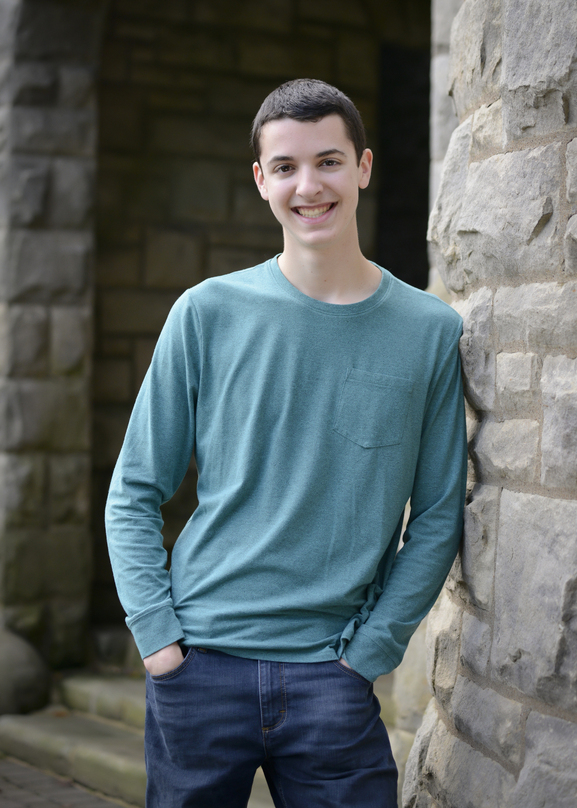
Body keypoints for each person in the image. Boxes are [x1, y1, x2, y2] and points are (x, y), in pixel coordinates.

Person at [105, 78, 467, 807]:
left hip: (333, 679)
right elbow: (134, 490)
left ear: (363, 167)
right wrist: (158, 640)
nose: (309, 186)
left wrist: (371, 653)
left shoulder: (429, 332)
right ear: (260, 180)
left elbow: (436, 516)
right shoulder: (206, 312)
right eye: (285, 167)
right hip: (199, 666)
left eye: (328, 161)